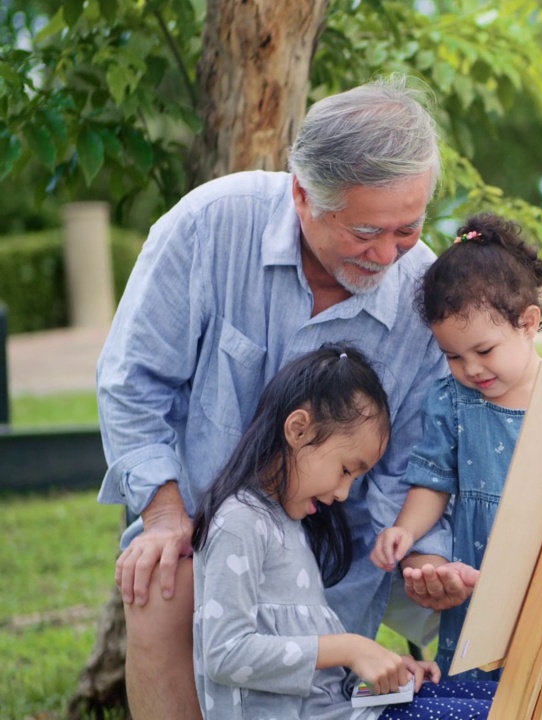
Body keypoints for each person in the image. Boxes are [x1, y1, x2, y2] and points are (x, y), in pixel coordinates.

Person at [96, 75, 450, 719]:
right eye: (367, 231)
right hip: (204, 530)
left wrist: (415, 552)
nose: (389, 254)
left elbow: (410, 469)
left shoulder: (425, 295)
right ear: (303, 195)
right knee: (162, 574)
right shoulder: (209, 225)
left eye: (409, 227)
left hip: (344, 554)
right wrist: (166, 516)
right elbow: (132, 382)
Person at [370, 213, 542, 718]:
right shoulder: (452, 401)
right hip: (480, 590)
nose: (471, 368)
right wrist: (405, 529)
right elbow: (432, 482)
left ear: (528, 323)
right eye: (452, 355)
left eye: (484, 350)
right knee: (486, 698)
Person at [191, 344, 495, 719]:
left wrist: (384, 668)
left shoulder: (289, 524)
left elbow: (318, 675)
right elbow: (224, 654)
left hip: (346, 708)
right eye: (346, 470)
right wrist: (352, 648)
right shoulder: (238, 523)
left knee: (499, 700)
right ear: (298, 430)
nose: (343, 494)